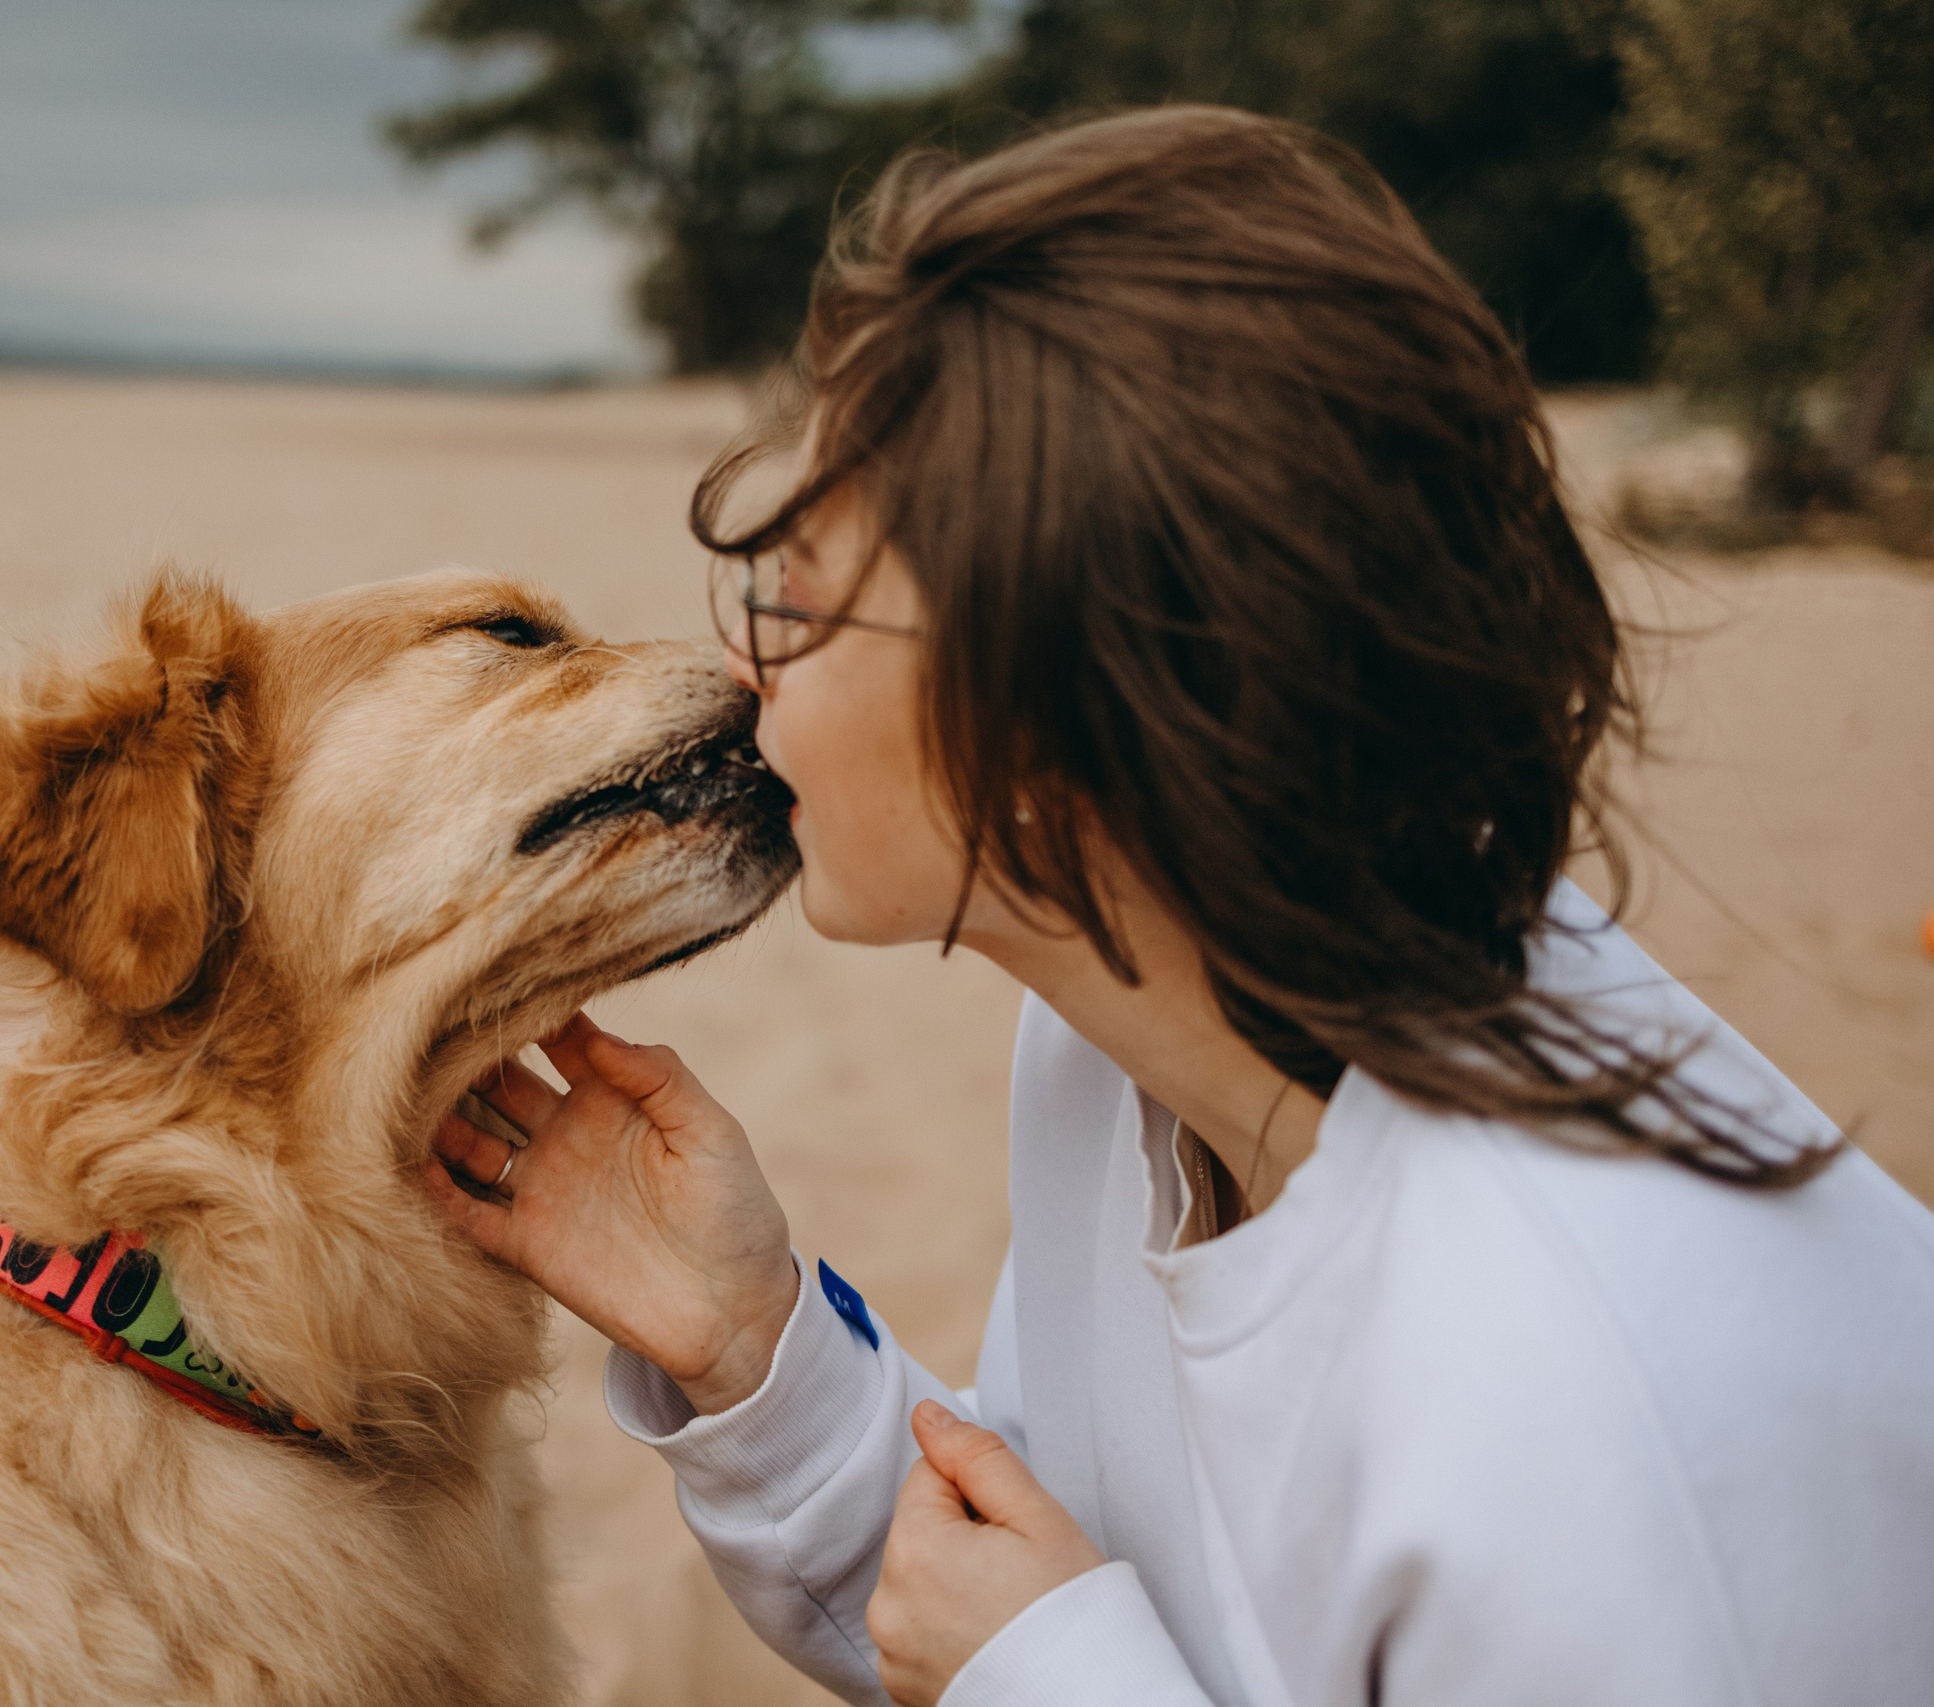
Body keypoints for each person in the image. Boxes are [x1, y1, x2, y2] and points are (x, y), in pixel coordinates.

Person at [424, 107, 1934, 1707]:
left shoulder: (1594, 1412)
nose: (738, 667)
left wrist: (1058, 1680)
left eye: (796, 593)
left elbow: (1059, 1654)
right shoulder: (1128, 1048)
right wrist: (753, 1348)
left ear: (1068, 708)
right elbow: (1025, 1596)